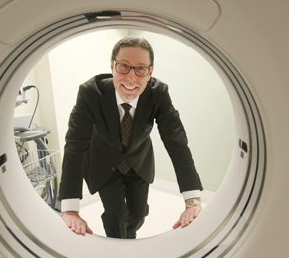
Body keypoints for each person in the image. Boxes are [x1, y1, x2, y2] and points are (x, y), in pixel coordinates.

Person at [59, 37, 203, 238]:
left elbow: (176, 141)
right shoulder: (90, 93)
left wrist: (192, 201)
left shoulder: (158, 94)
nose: (131, 78)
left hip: (138, 160)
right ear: (112, 66)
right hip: (103, 161)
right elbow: (75, 145)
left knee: (138, 213)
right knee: (115, 214)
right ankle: (118, 249)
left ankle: (128, 236)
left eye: (141, 69)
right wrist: (71, 208)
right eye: (124, 67)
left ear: (150, 72)